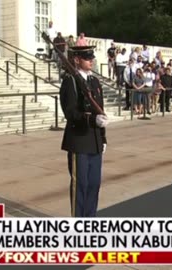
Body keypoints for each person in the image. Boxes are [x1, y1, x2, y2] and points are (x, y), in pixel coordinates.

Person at [59, 46, 108, 217]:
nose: (91, 60)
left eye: (91, 58)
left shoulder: (94, 82)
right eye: (87, 58)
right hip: (79, 140)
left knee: (94, 184)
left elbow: (100, 111)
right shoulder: (70, 81)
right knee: (81, 185)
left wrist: (103, 138)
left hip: (94, 141)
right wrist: (90, 119)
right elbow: (70, 112)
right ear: (77, 60)